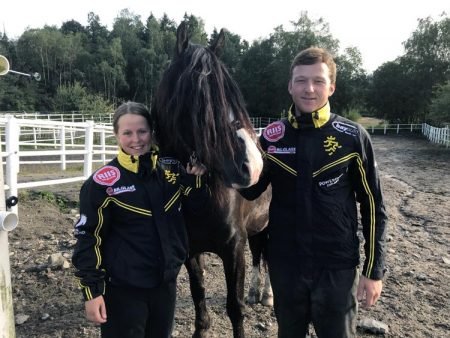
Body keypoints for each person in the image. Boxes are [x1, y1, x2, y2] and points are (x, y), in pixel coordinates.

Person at [239, 47, 388, 337]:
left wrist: (373, 271)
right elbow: (250, 190)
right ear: (290, 85)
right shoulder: (271, 137)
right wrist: (218, 165)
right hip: (285, 264)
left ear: (331, 87)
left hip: (335, 265)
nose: (309, 89)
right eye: (301, 80)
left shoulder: (353, 138)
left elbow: (374, 207)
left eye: (318, 81)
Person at [72, 101, 208, 338]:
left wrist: (196, 181)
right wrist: (92, 292)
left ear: (152, 133)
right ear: (116, 135)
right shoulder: (102, 184)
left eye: (142, 131)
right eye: (127, 133)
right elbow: (88, 237)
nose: (136, 139)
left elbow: (196, 212)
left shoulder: (172, 172)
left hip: (165, 285)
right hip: (123, 290)